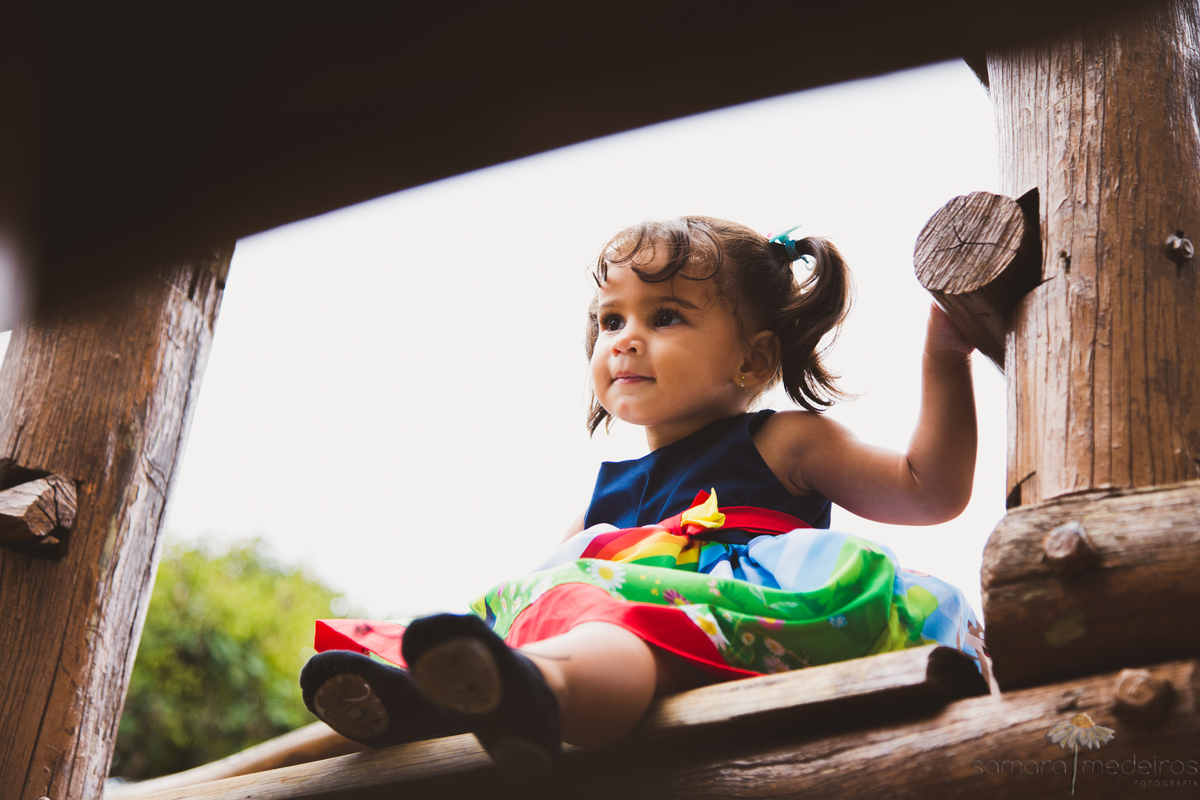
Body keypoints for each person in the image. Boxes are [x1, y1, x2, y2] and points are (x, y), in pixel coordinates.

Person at [299, 216, 983, 778]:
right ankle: (438, 694)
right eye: (610, 320)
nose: (625, 339)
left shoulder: (784, 442)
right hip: (614, 635)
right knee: (564, 610)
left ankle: (536, 696)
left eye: (664, 316)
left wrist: (944, 360)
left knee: (616, 632)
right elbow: (545, 596)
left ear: (753, 359)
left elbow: (929, 490)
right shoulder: (601, 510)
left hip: (737, 626)